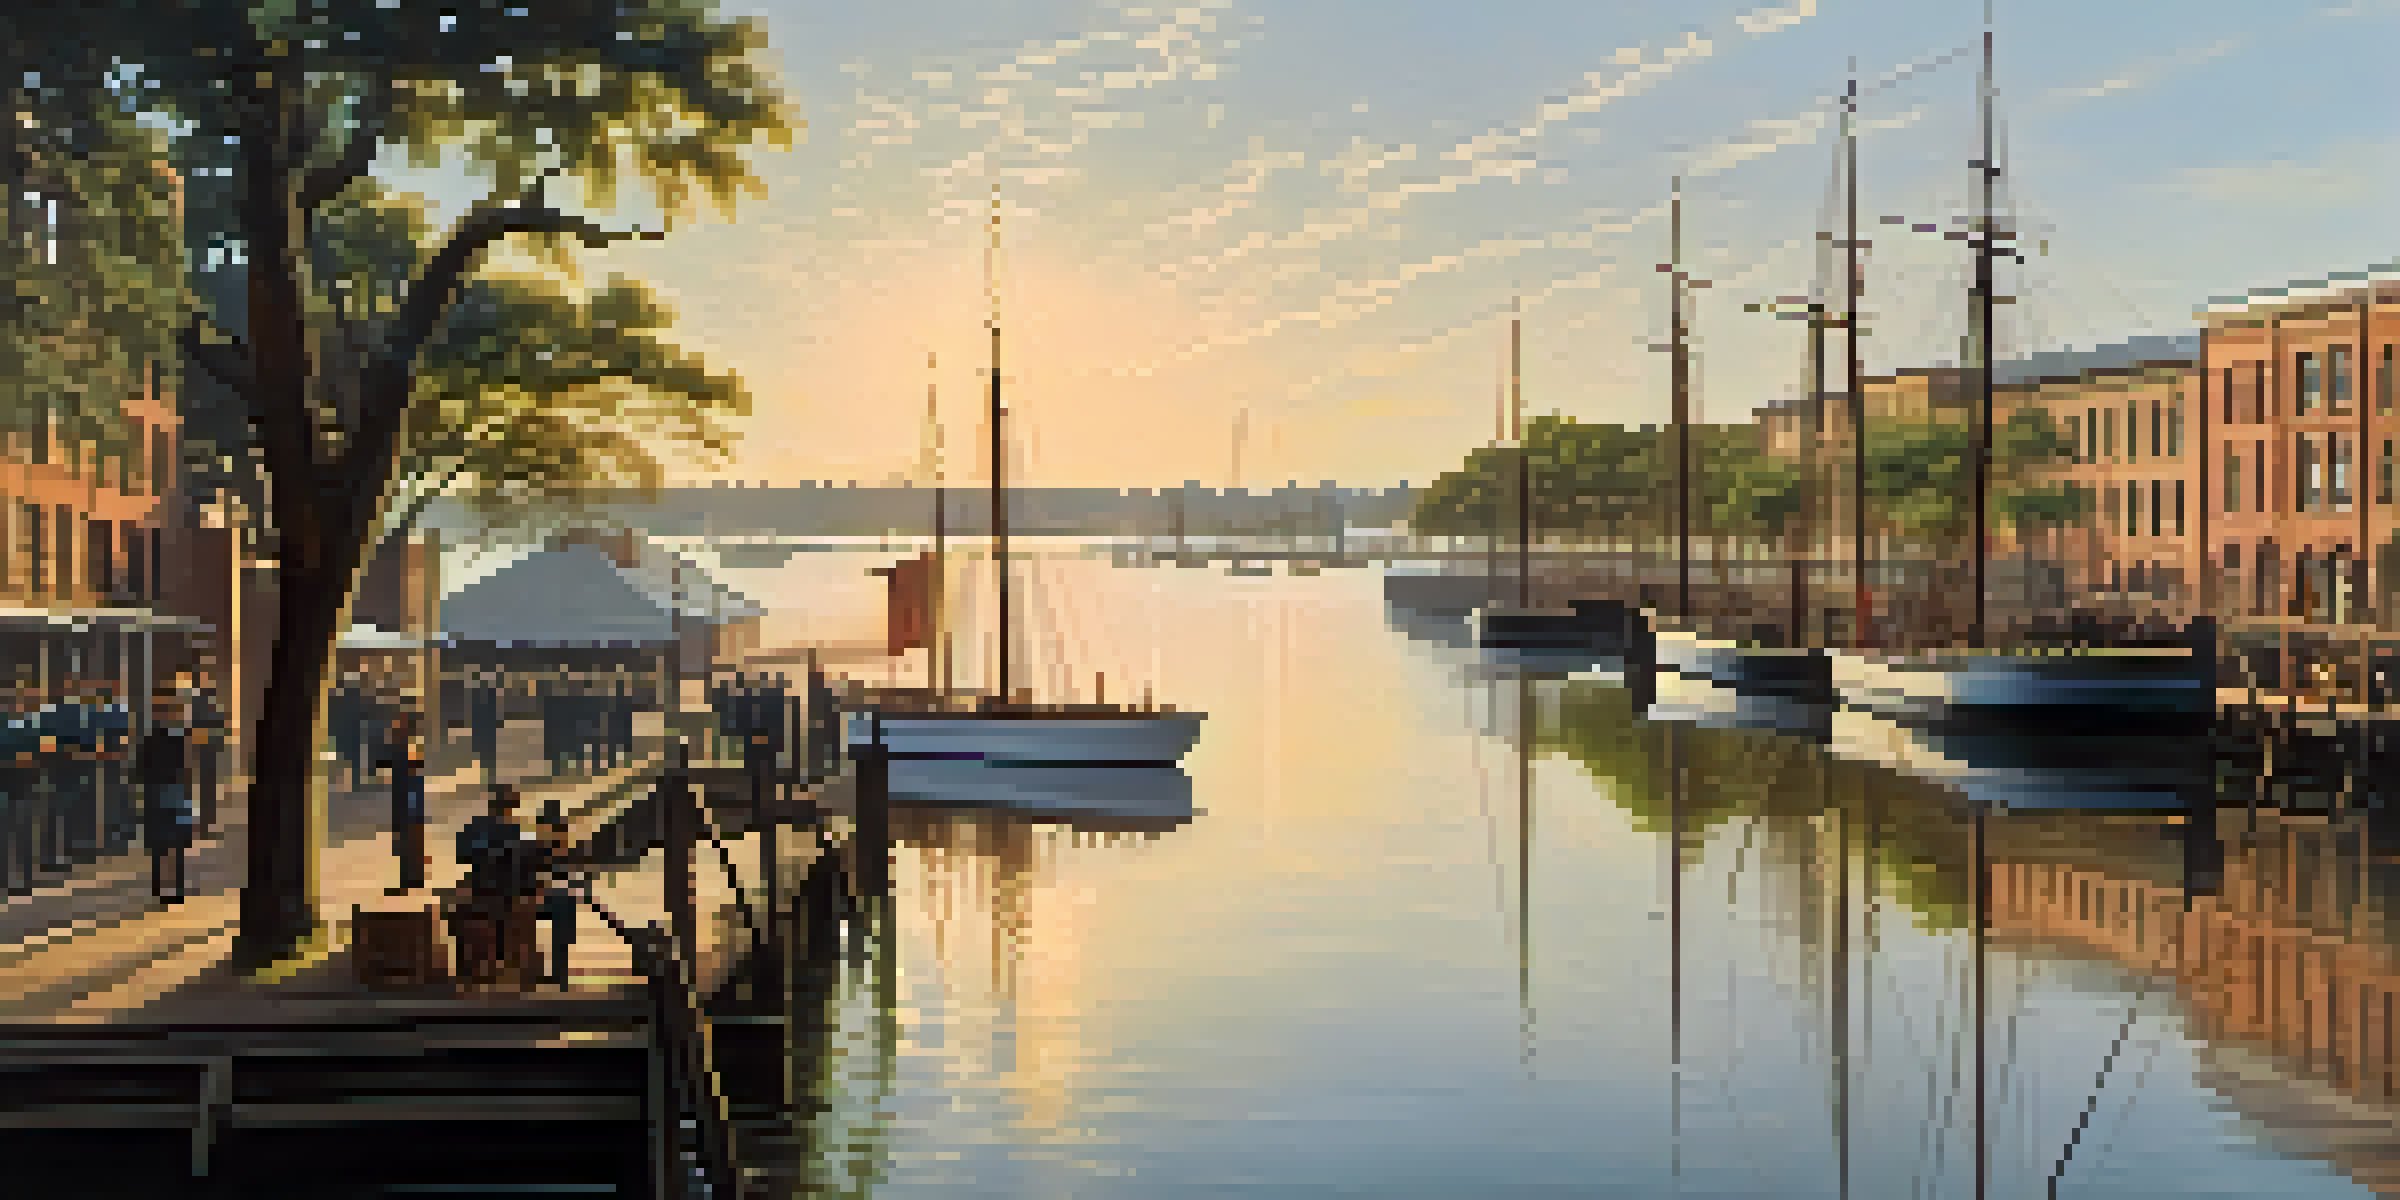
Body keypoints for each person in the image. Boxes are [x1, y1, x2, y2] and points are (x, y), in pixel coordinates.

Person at [450, 784, 545, 990]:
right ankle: (491, 962)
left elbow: (462, 853)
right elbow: (464, 852)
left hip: (496, 887)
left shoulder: (507, 829)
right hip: (495, 888)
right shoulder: (502, 829)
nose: (509, 810)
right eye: (508, 804)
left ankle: (485, 963)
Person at [137, 695, 194, 904]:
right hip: (174, 793)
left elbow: (139, 771)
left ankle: (158, 886)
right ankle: (176, 889)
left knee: (158, 845)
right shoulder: (178, 739)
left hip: (156, 794)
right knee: (176, 845)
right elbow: (185, 768)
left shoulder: (149, 740)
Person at [378, 711, 427, 892]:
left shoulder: (412, 748)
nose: (395, 728)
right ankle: (409, 879)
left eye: (399, 725)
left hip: (409, 803)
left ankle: (412, 879)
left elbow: (414, 775)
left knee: (409, 841)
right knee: (403, 842)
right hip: (402, 802)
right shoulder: (400, 749)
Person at [534, 798, 577, 989]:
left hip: (557, 896)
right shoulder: (544, 847)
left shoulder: (558, 848)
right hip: (553, 896)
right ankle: (558, 976)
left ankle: (559, 976)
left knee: (561, 936)